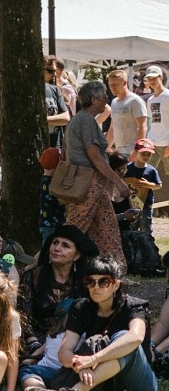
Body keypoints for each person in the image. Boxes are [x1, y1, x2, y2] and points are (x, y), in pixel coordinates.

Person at [51, 255, 158, 391]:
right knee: (33, 371)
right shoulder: (81, 307)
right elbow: (64, 352)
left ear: (116, 285)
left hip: (138, 380)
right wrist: (80, 365)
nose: (96, 287)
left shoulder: (133, 306)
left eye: (103, 282)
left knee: (124, 340)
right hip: (104, 379)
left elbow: (136, 337)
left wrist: (93, 359)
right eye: (90, 282)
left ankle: (78, 390)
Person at [63, 79, 130, 263]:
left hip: (94, 186)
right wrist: (118, 181)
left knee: (108, 230)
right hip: (87, 185)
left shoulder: (83, 120)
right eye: (103, 96)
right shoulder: (85, 120)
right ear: (94, 99)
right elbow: (95, 157)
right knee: (73, 231)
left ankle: (115, 271)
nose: (107, 99)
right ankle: (44, 265)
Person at [17, 223, 94, 346]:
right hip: (36, 342)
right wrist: (33, 343)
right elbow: (22, 316)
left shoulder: (85, 282)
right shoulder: (32, 277)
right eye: (55, 242)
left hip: (73, 342)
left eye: (65, 245)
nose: (57, 248)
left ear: (77, 255)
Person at [142, 66, 169, 210]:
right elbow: (151, 122)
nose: (152, 81)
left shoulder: (167, 96)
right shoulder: (150, 99)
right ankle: (144, 208)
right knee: (146, 175)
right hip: (153, 143)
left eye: (154, 78)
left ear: (161, 77)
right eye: (149, 78)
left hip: (166, 143)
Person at [123, 138, 161, 236]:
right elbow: (120, 180)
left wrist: (147, 184)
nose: (146, 156)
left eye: (148, 154)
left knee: (145, 226)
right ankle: (132, 247)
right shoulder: (128, 168)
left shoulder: (151, 170)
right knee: (131, 226)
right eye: (143, 154)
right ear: (136, 152)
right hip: (130, 202)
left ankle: (147, 247)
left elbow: (158, 185)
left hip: (146, 203)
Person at [106, 67, 147, 156]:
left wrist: (136, 151)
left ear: (125, 83)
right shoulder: (114, 102)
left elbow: (142, 127)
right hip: (118, 151)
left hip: (131, 150)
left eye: (115, 84)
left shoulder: (135, 101)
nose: (112, 87)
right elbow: (113, 126)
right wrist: (107, 148)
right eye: (110, 84)